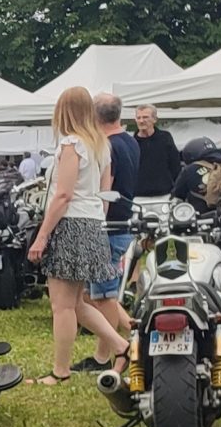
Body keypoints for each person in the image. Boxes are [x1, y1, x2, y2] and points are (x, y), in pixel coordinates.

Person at [27, 88, 129, 387]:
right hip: (93, 223)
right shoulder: (101, 145)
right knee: (78, 303)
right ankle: (123, 347)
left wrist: (42, 235)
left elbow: (63, 195)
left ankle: (60, 371)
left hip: (70, 224)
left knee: (62, 306)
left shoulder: (71, 145)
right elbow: (104, 193)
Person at [86, 93, 139, 370]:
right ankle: (110, 351)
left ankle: (122, 347)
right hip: (124, 222)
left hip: (108, 226)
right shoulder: (130, 141)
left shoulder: (106, 146)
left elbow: (106, 187)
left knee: (103, 296)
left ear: (95, 116)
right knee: (95, 293)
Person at [130, 106, 180, 198]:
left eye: (145, 117)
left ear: (155, 119)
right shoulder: (131, 143)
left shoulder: (165, 138)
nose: (141, 121)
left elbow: (175, 165)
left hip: (164, 195)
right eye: (138, 118)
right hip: (138, 197)